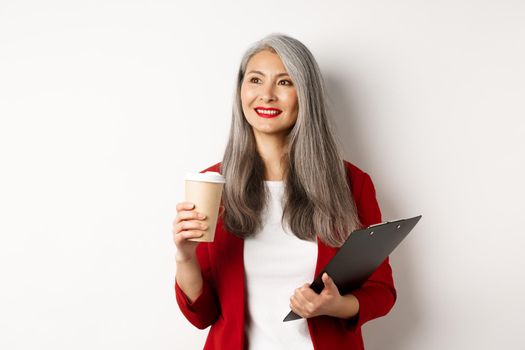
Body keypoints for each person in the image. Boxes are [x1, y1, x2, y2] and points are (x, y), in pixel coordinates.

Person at [172, 33, 396, 350]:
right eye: (255, 80)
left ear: (305, 94)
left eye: (284, 82)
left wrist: (335, 306)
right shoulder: (212, 184)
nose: (266, 95)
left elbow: (381, 291)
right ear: (240, 91)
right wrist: (185, 255)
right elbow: (202, 314)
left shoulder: (350, 183)